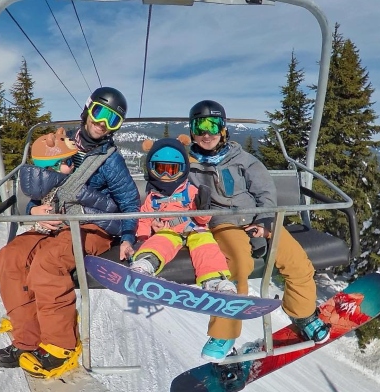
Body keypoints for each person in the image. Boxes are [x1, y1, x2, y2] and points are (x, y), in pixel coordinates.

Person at [0, 87, 140, 379]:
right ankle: (27, 341)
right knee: (9, 259)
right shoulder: (58, 146)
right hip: (55, 222)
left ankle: (61, 347)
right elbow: (43, 188)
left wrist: (127, 237)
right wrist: (35, 211)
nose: (103, 124)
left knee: (48, 264)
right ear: (87, 111)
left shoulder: (110, 160)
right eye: (100, 113)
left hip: (92, 227)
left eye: (113, 120)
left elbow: (130, 203)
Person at [186, 100, 330, 362]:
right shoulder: (190, 165)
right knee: (237, 267)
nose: (206, 134)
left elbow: (265, 192)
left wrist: (264, 222)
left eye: (213, 125)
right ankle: (224, 332)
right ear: (192, 130)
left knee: (296, 262)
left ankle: (303, 314)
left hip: (257, 219)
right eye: (200, 126)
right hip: (223, 223)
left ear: (224, 128)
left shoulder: (244, 160)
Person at [128, 135, 237, 361]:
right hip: (169, 231)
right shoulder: (152, 197)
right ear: (152, 169)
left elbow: (203, 219)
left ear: (183, 169)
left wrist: (202, 206)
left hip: (194, 230)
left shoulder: (191, 190)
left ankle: (215, 279)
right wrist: (142, 237)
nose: (167, 175)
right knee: (161, 242)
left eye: (172, 169)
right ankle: (145, 263)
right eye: (161, 169)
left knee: (206, 245)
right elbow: (144, 219)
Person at [22, 127, 121, 237]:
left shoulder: (74, 187)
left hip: (73, 227)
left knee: (57, 248)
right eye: (68, 161)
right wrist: (33, 210)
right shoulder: (45, 187)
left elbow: (102, 206)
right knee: (17, 249)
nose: (73, 164)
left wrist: (119, 225)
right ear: (54, 166)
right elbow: (35, 201)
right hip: (47, 229)